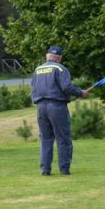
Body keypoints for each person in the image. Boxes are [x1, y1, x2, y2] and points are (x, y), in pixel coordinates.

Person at [31, 45, 89, 175]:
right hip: (56, 107)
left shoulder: (37, 70)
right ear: (60, 58)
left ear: (47, 56)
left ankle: (45, 170)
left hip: (41, 107)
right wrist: (80, 93)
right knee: (63, 138)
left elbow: (33, 89)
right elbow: (66, 87)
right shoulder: (60, 68)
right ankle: (64, 169)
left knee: (45, 139)